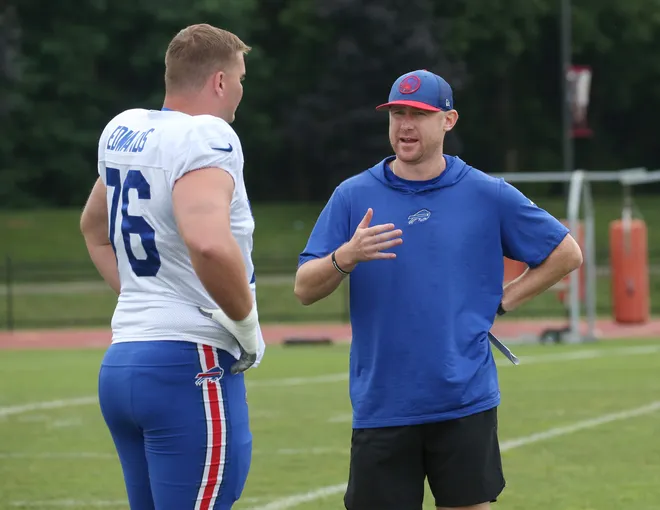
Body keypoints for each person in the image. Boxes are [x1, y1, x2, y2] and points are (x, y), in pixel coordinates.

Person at [294, 69, 583, 510]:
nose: (405, 125)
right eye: (398, 114)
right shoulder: (353, 196)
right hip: (383, 404)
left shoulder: (487, 193)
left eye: (419, 114)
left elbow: (566, 253)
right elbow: (304, 288)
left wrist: (503, 301)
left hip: (463, 399)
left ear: (448, 121)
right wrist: (344, 257)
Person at [80, 24, 266, 510]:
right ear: (221, 81)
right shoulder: (209, 136)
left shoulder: (128, 128)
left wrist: (143, 299)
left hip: (123, 363)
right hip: (190, 364)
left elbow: (93, 229)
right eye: (241, 78)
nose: (242, 91)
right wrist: (246, 326)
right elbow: (207, 243)